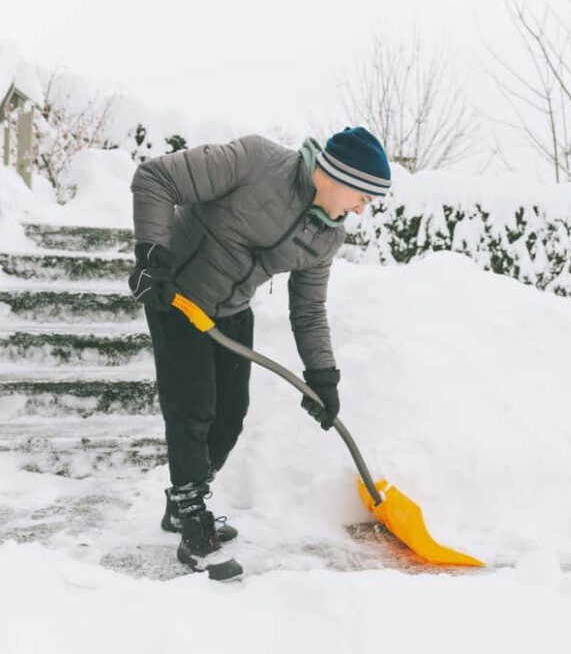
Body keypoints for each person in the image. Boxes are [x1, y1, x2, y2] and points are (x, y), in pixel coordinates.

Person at [128, 126, 391, 578]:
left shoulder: (327, 237)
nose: (363, 208)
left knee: (230, 415)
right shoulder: (254, 161)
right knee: (193, 409)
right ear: (337, 175)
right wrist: (152, 257)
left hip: (231, 310)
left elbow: (308, 308)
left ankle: (181, 500)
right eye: (363, 195)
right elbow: (155, 178)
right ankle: (193, 524)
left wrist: (322, 375)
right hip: (180, 296)